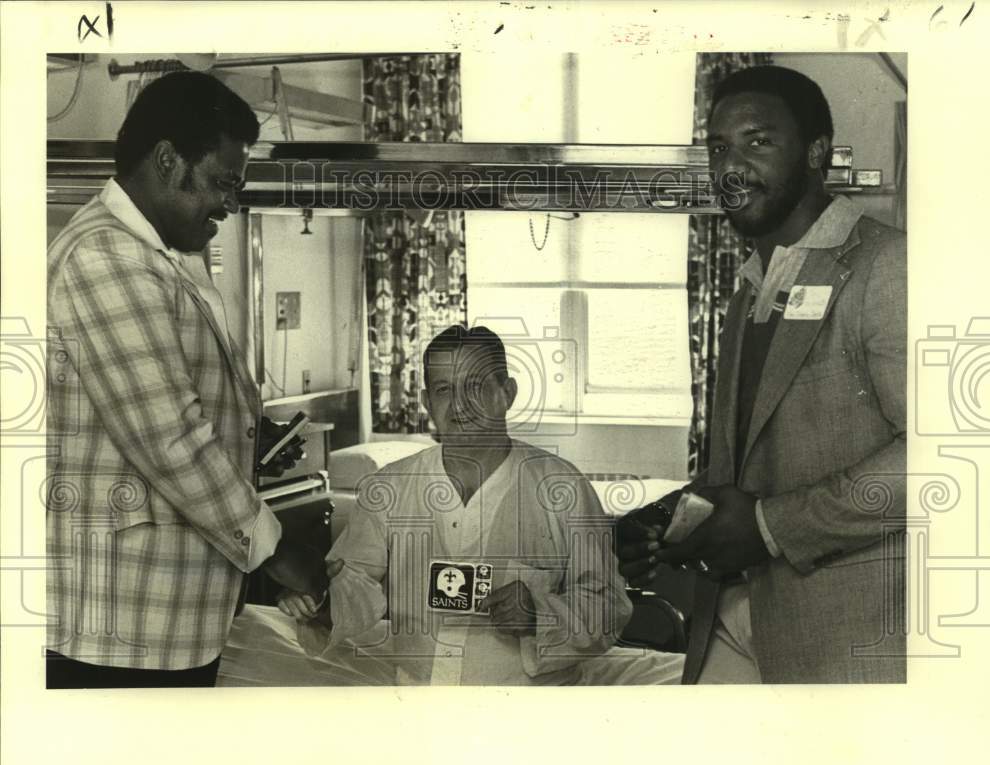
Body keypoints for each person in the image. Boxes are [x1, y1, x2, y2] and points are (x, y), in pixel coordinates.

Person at [615, 65, 906, 684]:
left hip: (847, 631)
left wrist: (770, 528)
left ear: (817, 153)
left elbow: (947, 458)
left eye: (758, 141)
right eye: (718, 146)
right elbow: (741, 472)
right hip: (733, 614)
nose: (731, 165)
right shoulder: (751, 289)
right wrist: (665, 520)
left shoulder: (888, 266)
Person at [46, 71, 319, 688]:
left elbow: (176, 404)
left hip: (160, 623)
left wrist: (255, 434)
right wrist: (273, 550)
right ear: (168, 161)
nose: (229, 202)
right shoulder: (104, 257)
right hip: (117, 631)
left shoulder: (163, 258)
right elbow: (170, 435)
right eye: (223, 181)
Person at [278, 325, 684, 685]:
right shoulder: (388, 489)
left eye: (475, 387)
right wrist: (321, 602)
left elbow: (607, 605)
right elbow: (355, 585)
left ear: (506, 394)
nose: (459, 405)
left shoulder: (563, 488)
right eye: (443, 390)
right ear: (425, 402)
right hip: (422, 700)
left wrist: (540, 614)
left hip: (531, 709)